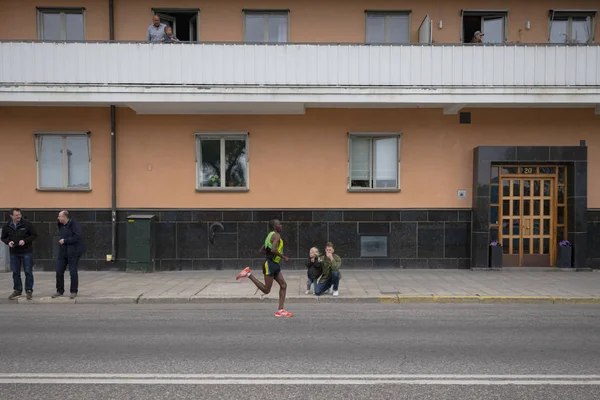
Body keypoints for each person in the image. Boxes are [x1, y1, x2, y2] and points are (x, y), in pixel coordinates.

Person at [236, 219, 293, 317]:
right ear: (275, 227)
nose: (281, 225)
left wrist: (272, 255)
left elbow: (261, 250)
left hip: (274, 264)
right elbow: (273, 249)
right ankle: (248, 274)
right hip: (270, 265)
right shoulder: (276, 235)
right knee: (266, 290)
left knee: (283, 285)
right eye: (279, 224)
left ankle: (280, 310)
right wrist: (283, 257)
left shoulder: (269, 236)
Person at [1, 208, 37, 300]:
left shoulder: (27, 224)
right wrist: (8, 242)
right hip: (14, 252)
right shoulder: (7, 226)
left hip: (26, 251)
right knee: (16, 272)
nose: (19, 216)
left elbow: (34, 235)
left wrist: (25, 241)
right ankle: (17, 290)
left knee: (28, 271)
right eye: (16, 215)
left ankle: (29, 290)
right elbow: (3, 237)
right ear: (11, 216)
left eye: (19, 214)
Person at [52, 211, 86, 299]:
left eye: (59, 216)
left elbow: (78, 236)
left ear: (65, 217)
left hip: (73, 252)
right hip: (63, 252)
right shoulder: (60, 225)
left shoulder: (74, 224)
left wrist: (65, 240)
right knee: (59, 271)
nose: (58, 218)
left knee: (73, 272)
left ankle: (74, 291)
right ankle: (59, 290)